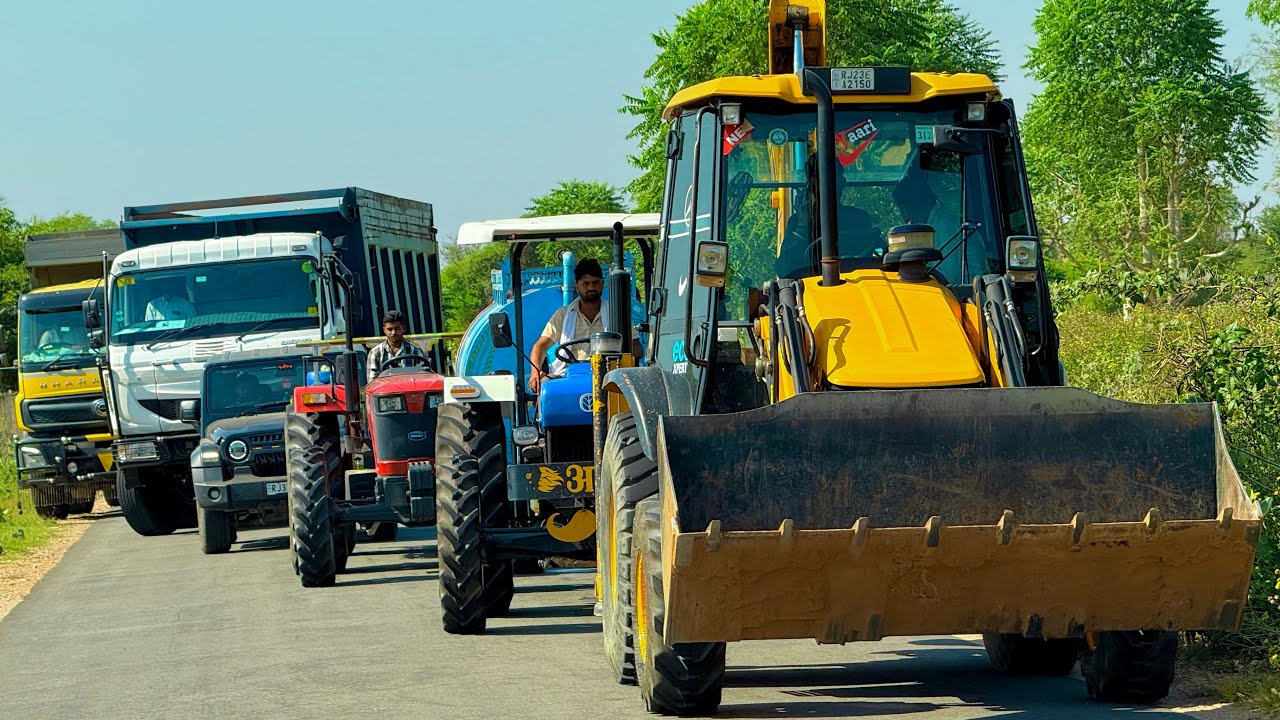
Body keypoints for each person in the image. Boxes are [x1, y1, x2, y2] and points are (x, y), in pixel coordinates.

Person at [528, 259, 642, 393]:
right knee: (546, 387)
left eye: (595, 283)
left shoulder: (616, 315)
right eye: (586, 283)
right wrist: (535, 373)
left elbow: (636, 348)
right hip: (567, 374)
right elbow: (540, 346)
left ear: (602, 283)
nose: (591, 288)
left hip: (609, 375)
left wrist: (617, 352)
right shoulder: (563, 315)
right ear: (576, 286)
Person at [367, 310, 426, 383]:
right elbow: (372, 383)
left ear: (403, 329)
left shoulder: (416, 352)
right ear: (384, 330)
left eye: (397, 329)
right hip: (386, 392)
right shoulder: (375, 353)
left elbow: (423, 379)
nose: (393, 333)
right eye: (390, 329)